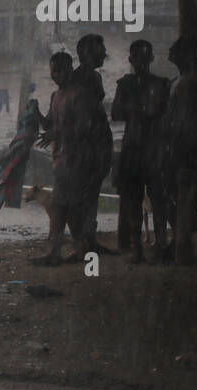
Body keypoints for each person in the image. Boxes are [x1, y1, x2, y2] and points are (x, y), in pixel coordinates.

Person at [111, 40, 170, 261]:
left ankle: (147, 249)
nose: (141, 62)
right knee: (145, 200)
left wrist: (136, 107)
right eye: (139, 57)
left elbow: (118, 113)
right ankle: (153, 248)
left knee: (143, 200)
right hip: (144, 147)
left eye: (143, 57)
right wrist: (142, 107)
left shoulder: (135, 84)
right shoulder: (156, 84)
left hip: (141, 147)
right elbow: (117, 113)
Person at [153, 35, 197, 261]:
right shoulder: (180, 79)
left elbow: (185, 115)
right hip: (175, 142)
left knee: (180, 194)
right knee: (171, 193)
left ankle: (181, 243)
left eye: (175, 49)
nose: (170, 51)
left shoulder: (191, 80)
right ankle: (179, 239)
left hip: (183, 142)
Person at [32, 52, 84, 265]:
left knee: (60, 204)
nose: (56, 75)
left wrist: (57, 134)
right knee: (67, 206)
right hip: (60, 158)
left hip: (75, 158)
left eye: (60, 70)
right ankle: (81, 247)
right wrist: (35, 112)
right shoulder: (56, 96)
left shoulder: (78, 95)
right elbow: (48, 125)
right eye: (53, 71)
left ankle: (55, 252)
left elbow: (83, 128)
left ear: (70, 69)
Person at [71, 34, 115, 254]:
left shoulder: (91, 78)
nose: (103, 54)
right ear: (86, 53)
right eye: (99, 50)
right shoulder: (79, 80)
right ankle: (83, 241)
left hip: (96, 143)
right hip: (86, 144)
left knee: (91, 192)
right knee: (85, 193)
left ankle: (88, 239)